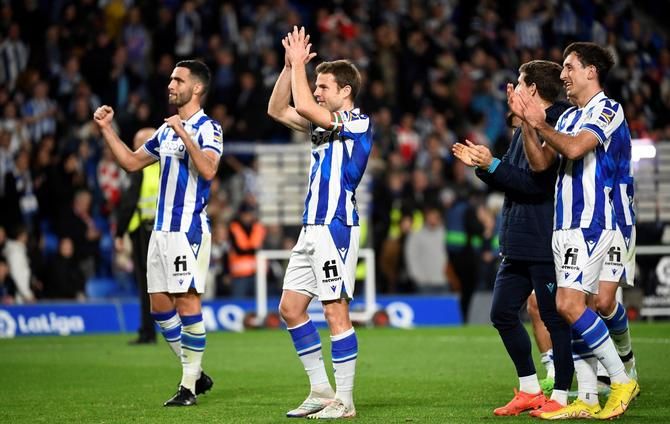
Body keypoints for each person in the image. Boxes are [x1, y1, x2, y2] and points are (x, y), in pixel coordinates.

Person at [510, 42, 639, 419]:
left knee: (578, 305)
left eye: (569, 67)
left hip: (595, 221)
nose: (563, 74)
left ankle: (622, 376)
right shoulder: (567, 118)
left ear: (591, 71)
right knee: (574, 308)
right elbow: (540, 164)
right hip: (567, 222)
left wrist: (539, 123)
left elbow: (576, 149)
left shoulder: (608, 109)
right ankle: (587, 396)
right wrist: (527, 122)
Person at [93, 59, 222, 407]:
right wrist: (106, 129)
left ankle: (188, 387)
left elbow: (209, 170)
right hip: (160, 232)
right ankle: (196, 372)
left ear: (197, 88)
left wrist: (184, 134)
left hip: (187, 230)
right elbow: (131, 162)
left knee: (186, 301)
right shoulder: (165, 131)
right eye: (170, 80)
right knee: (160, 307)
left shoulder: (209, 128)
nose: (170, 85)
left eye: (178, 80)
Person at [452, 59, 574, 417]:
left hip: (543, 238)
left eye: (519, 83)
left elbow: (537, 184)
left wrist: (492, 165)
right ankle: (530, 389)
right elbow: (512, 174)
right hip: (517, 238)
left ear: (533, 89)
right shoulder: (524, 127)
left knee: (553, 319)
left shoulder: (557, 124)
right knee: (502, 313)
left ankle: (562, 395)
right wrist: (485, 164)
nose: (514, 89)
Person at [267, 26, 373, 419]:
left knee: (334, 311)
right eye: (315, 85)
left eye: (323, 86)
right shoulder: (320, 122)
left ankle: (345, 401)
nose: (317, 91)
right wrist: (287, 67)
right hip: (311, 226)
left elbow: (307, 107)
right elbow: (277, 109)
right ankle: (321, 390)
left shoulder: (358, 121)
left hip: (336, 225)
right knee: (291, 308)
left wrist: (299, 65)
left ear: (345, 90)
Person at [115, 127, 160, 344]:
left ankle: (148, 332)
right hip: (167, 231)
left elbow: (130, 202)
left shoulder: (140, 167)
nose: (134, 147)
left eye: (137, 142)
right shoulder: (166, 165)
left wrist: (119, 232)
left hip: (144, 231)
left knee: (146, 284)